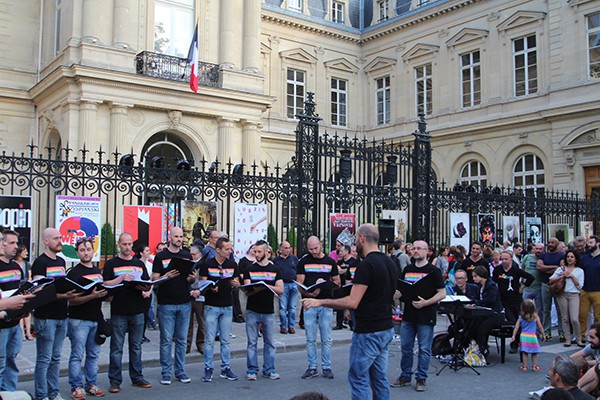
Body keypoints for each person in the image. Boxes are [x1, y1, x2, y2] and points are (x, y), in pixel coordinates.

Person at [302, 224, 398, 400]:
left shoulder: (366, 265)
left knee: (358, 377)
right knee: (379, 379)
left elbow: (353, 302)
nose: (354, 243)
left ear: (362, 238)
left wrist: (320, 301)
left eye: (355, 239)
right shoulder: (389, 262)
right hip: (385, 327)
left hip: (368, 331)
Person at [391, 240, 446, 392]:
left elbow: (442, 293)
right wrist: (398, 295)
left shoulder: (433, 271)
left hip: (426, 315)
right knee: (406, 347)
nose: (415, 251)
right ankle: (405, 376)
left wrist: (426, 302)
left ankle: (421, 378)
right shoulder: (408, 269)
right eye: (413, 248)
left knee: (424, 348)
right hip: (409, 314)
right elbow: (402, 288)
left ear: (427, 251)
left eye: (419, 249)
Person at [31, 227, 79, 400]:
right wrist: (62, 295)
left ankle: (53, 392)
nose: (60, 241)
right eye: (56, 238)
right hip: (46, 316)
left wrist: (68, 294)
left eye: (60, 237)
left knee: (56, 358)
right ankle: (41, 394)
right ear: (46, 241)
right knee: (44, 358)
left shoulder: (61, 261)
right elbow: (37, 291)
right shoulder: (40, 263)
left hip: (61, 314)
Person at [103, 233, 153, 393]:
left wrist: (144, 287)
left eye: (129, 244)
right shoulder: (111, 263)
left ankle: (137, 377)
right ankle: (115, 380)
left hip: (137, 309)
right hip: (119, 310)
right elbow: (105, 283)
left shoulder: (138, 263)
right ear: (119, 244)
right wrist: (121, 278)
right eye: (124, 244)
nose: (127, 247)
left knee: (136, 346)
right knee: (117, 347)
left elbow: (147, 282)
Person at [151, 227, 195, 385]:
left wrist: (191, 277)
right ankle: (166, 372)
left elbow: (189, 279)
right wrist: (166, 276)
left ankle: (180, 371)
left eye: (181, 236)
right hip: (166, 303)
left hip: (184, 302)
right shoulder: (161, 256)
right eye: (176, 236)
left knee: (182, 340)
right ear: (169, 237)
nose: (179, 239)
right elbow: (154, 279)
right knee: (166, 340)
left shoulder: (186, 255)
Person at [66, 238, 108, 399]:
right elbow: (72, 300)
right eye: (82, 250)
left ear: (93, 251)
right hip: (79, 319)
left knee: (93, 354)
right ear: (77, 253)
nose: (86, 252)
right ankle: (76, 386)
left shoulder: (98, 271)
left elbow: (100, 294)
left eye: (89, 249)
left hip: (96, 317)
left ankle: (91, 383)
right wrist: (92, 296)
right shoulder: (74, 273)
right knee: (77, 355)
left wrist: (105, 294)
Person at [197, 236, 241, 382]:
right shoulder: (208, 264)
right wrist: (210, 287)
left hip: (227, 305)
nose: (230, 251)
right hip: (211, 305)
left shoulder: (233, 264)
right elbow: (201, 283)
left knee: (226, 339)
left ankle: (225, 367)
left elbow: (237, 281)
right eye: (227, 249)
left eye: (230, 248)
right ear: (218, 250)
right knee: (209, 340)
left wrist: (236, 283)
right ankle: (208, 368)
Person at [296, 236, 340, 380]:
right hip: (310, 302)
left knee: (326, 337)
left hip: (326, 302)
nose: (313, 252)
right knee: (310, 337)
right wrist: (307, 292)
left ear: (320, 245)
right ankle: (312, 366)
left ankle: (327, 367)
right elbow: (299, 283)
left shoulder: (330, 262)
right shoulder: (304, 261)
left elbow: (337, 283)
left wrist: (325, 282)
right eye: (310, 249)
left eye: (315, 248)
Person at [243, 240, 284, 380]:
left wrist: (267, 286)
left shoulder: (275, 269)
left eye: (259, 251)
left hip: (268, 310)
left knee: (270, 342)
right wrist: (257, 287)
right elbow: (247, 289)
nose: (256, 254)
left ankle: (269, 369)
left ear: (267, 252)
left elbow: (281, 289)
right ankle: (252, 370)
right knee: (252, 342)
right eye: (255, 251)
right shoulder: (249, 269)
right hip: (252, 309)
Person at [0, 229, 26, 392]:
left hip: (15, 323)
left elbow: (21, 290)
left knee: (11, 362)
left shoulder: (17, 267)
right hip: (1, 324)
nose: (15, 246)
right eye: (11, 243)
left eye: (16, 243)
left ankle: (9, 392)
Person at [550, 250, 585, 347]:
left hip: (574, 294)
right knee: (565, 318)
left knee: (574, 318)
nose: (569, 258)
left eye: (572, 257)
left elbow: (580, 286)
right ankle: (568, 339)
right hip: (562, 294)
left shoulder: (579, 271)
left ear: (575, 259)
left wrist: (572, 276)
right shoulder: (561, 269)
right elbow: (551, 280)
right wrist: (562, 276)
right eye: (568, 256)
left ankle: (579, 339)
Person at [471, 265, 505, 359]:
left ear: (481, 276)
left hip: (496, 314)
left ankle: (483, 350)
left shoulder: (491, 286)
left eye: (475, 276)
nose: (473, 279)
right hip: (486, 313)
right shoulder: (480, 287)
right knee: (474, 325)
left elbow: (491, 300)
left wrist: (477, 303)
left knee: (482, 328)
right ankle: (476, 347)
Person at [538, 238, 566, 342]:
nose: (550, 244)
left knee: (560, 309)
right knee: (546, 309)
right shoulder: (543, 255)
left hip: (557, 285)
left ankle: (562, 332)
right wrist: (554, 267)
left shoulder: (561, 256)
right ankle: (546, 332)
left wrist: (549, 269)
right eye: (549, 242)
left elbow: (562, 269)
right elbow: (539, 267)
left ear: (557, 244)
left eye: (552, 243)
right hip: (545, 284)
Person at [274, 240, 299, 335]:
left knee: (292, 307)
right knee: (283, 307)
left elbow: (298, 270)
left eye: (289, 248)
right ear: (281, 249)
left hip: (293, 284)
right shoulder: (276, 260)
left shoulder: (294, 258)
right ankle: (283, 326)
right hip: (283, 285)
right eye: (286, 248)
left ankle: (291, 326)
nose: (288, 250)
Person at [512, 299, 544, 371]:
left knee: (525, 352)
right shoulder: (535, 317)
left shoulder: (521, 317)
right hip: (532, 336)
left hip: (524, 336)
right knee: (534, 352)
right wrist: (543, 334)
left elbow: (516, 326)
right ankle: (534, 366)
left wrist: (513, 335)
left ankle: (524, 366)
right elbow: (540, 326)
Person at [580, 236, 600, 342]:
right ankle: (582, 336)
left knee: (598, 316)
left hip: (598, 290)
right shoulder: (584, 258)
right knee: (582, 315)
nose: (589, 244)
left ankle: (597, 337)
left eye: (591, 242)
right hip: (585, 290)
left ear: (598, 244)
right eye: (588, 242)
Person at [333, 245, 357, 331]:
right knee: (340, 305)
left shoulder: (353, 262)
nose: (340, 253)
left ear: (347, 252)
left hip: (350, 286)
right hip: (341, 286)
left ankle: (351, 324)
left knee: (350, 305)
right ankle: (339, 324)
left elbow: (349, 272)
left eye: (342, 251)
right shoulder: (339, 262)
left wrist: (345, 270)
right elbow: (338, 271)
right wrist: (346, 270)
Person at [187, 244, 205, 354]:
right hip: (189, 294)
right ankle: (187, 344)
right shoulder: (188, 264)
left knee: (201, 322)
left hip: (200, 294)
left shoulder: (204, 264)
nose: (192, 256)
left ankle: (201, 343)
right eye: (191, 254)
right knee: (188, 323)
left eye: (193, 254)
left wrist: (200, 291)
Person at [13, 244, 32, 342]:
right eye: (24, 251)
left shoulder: (27, 264)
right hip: (17, 288)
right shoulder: (13, 264)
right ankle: (21, 333)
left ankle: (28, 332)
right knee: (19, 310)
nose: (27, 253)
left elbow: (29, 277)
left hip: (25, 287)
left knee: (27, 311)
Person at [523, 243, 545, 320]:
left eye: (540, 249)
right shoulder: (527, 257)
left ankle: (538, 330)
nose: (538, 250)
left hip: (539, 289)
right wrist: (523, 284)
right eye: (537, 248)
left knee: (539, 311)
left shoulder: (544, 259)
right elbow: (523, 269)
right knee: (524, 309)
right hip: (527, 288)